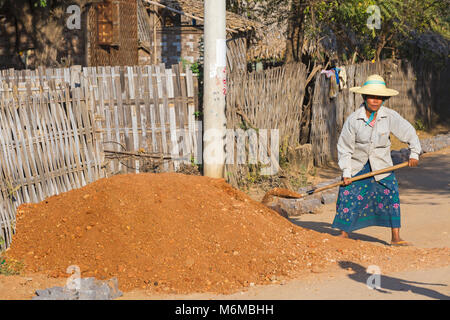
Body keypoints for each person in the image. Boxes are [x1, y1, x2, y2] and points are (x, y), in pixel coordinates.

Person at [332, 74, 421, 246]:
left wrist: (414, 153)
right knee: (348, 193)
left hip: (382, 164)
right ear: (364, 97)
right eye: (372, 97)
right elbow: (344, 148)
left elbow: (408, 132)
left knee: (391, 193)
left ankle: (395, 237)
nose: (375, 101)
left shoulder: (389, 116)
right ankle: (344, 233)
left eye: (379, 98)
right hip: (358, 164)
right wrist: (346, 172)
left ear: (384, 99)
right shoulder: (354, 120)